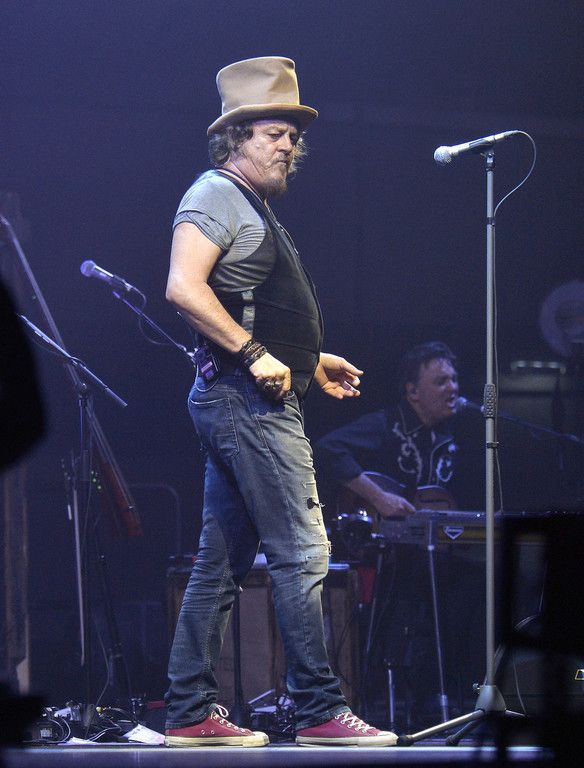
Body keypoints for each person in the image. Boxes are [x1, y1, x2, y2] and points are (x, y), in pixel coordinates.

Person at [163, 56, 398, 748]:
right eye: (274, 133)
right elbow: (183, 288)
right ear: (234, 137)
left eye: (294, 135)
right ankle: (319, 708)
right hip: (247, 402)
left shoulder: (250, 204)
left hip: (248, 394)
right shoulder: (215, 193)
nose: (290, 146)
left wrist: (307, 360)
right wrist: (253, 353)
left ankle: (188, 712)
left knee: (220, 565)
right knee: (303, 550)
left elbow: (250, 303)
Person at [314, 341, 461, 520]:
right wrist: (379, 497)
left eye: (454, 380)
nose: (453, 387)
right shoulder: (385, 424)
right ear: (413, 391)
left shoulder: (448, 435)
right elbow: (328, 449)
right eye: (441, 382)